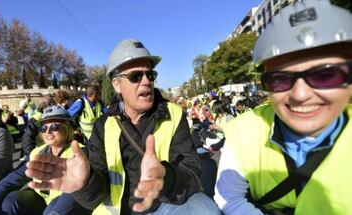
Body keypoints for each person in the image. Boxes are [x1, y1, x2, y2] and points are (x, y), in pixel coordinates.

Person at [26, 39, 221, 215]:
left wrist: (165, 178)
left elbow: (192, 174)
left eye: (150, 75)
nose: (146, 81)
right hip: (116, 211)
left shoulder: (174, 114)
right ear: (117, 85)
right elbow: (96, 195)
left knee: (203, 209)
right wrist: (84, 183)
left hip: (165, 205)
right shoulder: (103, 126)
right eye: (136, 76)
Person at [214, 0, 352, 214]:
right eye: (280, 79)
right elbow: (228, 197)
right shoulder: (244, 131)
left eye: (325, 74)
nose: (300, 95)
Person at [0, 106, 91, 215]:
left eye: (54, 127)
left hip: (71, 205)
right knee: (11, 200)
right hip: (45, 202)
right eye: (44, 128)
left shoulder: (81, 153)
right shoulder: (37, 153)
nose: (48, 132)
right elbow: (8, 182)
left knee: (53, 209)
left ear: (68, 128)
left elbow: (77, 191)